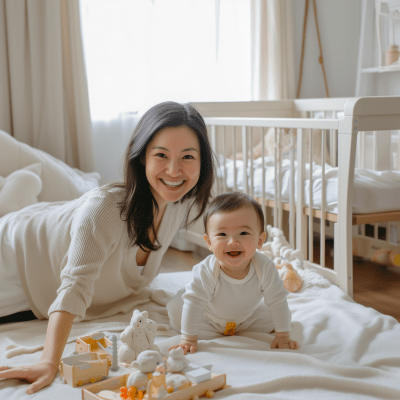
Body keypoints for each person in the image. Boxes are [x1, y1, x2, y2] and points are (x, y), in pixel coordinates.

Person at [0, 101, 215, 394]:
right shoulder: (106, 209)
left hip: (40, 245)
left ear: (202, 162)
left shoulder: (177, 202)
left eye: (188, 156)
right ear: (141, 158)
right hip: (13, 259)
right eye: (161, 155)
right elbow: (75, 286)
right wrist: (48, 362)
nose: (174, 170)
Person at [167, 191, 299, 354]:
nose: (233, 242)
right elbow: (195, 303)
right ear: (209, 242)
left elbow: (277, 300)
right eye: (222, 234)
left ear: (260, 240)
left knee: (280, 317)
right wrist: (188, 339)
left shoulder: (264, 267)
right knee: (177, 309)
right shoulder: (207, 270)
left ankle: (235, 329)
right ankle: (208, 331)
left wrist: (283, 335)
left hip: (246, 317)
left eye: (243, 233)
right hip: (209, 317)